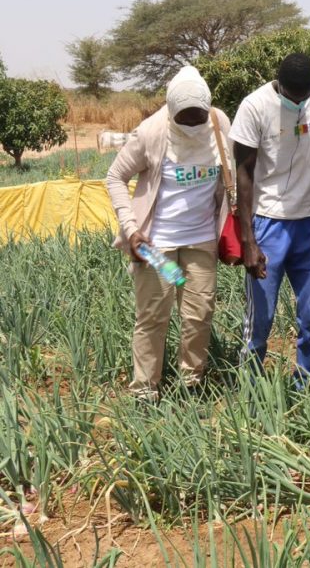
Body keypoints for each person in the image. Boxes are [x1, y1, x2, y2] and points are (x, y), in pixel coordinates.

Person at [106, 66, 231, 401]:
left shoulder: (219, 124)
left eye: (198, 117)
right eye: (185, 118)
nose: (192, 123)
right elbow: (115, 177)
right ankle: (146, 390)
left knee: (198, 314)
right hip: (157, 246)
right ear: (171, 112)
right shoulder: (152, 133)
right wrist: (131, 230)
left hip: (201, 241)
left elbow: (229, 177)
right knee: (154, 316)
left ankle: (192, 381)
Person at [230, 53, 310, 384]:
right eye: (293, 97)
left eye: (304, 96)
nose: (300, 102)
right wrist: (248, 240)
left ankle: (304, 383)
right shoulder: (254, 107)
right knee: (260, 318)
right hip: (268, 222)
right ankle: (250, 387)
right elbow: (244, 173)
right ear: (279, 86)